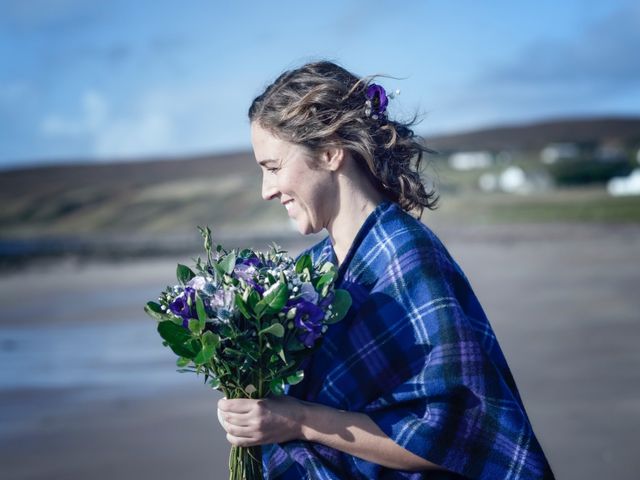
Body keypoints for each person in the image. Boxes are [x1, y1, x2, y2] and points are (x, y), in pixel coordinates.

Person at [217, 61, 555, 479]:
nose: (266, 190)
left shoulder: (406, 254)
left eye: (273, 167)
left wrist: (300, 420)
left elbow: (456, 436)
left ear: (329, 151)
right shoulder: (312, 269)